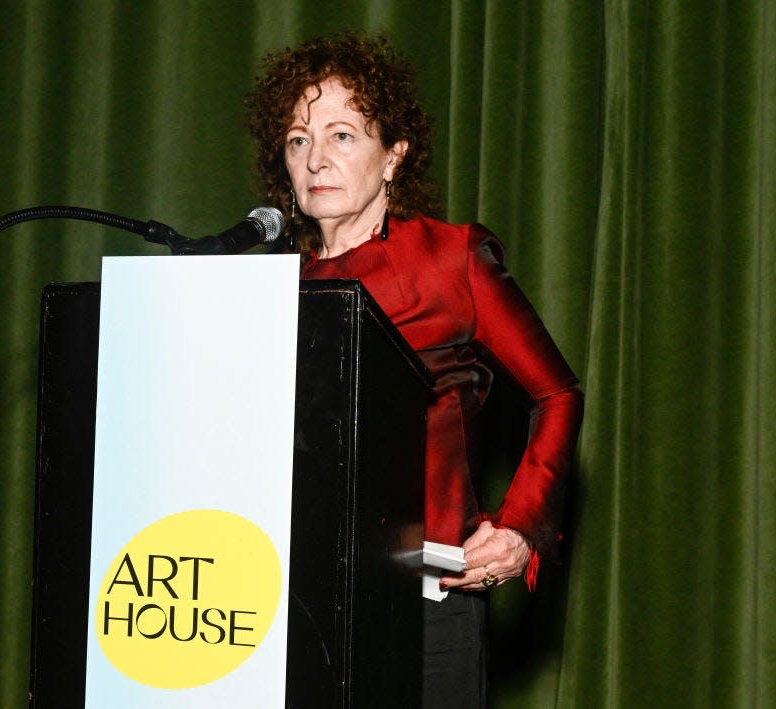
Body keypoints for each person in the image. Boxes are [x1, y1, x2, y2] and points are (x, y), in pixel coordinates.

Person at [247, 33, 584, 707]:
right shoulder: (266, 282)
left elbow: (556, 392)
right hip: (289, 605)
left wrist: (520, 523)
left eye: (342, 135)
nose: (316, 159)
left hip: (425, 607)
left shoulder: (448, 258)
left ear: (393, 155)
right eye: (297, 140)